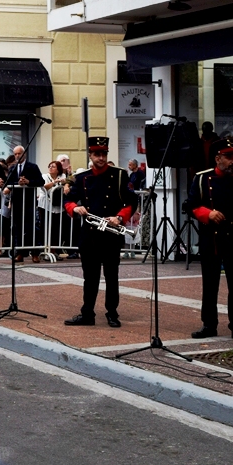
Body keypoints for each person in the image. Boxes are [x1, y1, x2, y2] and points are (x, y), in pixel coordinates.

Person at [187, 136, 233, 342]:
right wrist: (206, 214)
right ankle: (209, 324)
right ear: (218, 158)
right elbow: (190, 205)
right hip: (212, 239)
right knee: (210, 285)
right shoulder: (202, 179)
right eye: (228, 157)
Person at [64, 137, 136, 328]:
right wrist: (75, 208)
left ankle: (112, 313)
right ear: (90, 155)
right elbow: (69, 200)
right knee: (90, 276)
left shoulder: (120, 175)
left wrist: (119, 217)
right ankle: (87, 313)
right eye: (97, 154)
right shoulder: (82, 177)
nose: (101, 158)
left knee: (112, 276)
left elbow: (131, 201)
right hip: (89, 234)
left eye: (103, 154)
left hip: (111, 233)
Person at [4, 145, 42, 263]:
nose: (17, 156)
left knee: (31, 228)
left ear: (24, 153)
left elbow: (41, 181)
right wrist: (15, 184)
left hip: (29, 201)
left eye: (19, 153)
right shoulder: (13, 168)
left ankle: (35, 252)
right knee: (17, 228)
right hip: (17, 201)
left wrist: (28, 182)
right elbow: (9, 182)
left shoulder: (33, 166)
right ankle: (20, 252)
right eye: (15, 154)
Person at [41, 160, 69, 257]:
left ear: (58, 170)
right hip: (45, 206)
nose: (50, 168)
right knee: (46, 228)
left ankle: (54, 250)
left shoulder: (63, 176)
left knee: (57, 229)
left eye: (53, 166)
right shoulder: (44, 176)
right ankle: (46, 249)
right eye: (50, 166)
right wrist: (54, 182)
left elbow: (68, 182)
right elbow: (44, 187)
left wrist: (66, 185)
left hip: (58, 206)